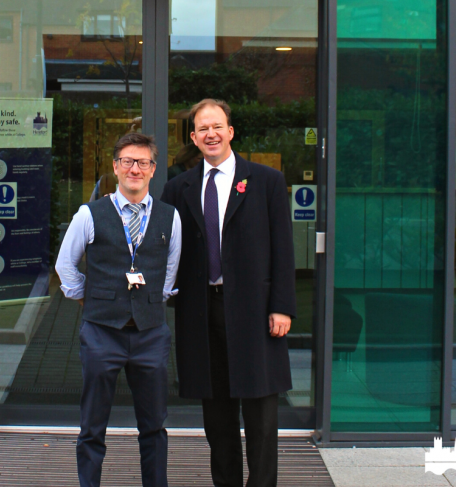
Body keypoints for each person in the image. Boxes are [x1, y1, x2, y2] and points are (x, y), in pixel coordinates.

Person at [160, 99, 295, 487]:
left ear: (231, 132)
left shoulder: (266, 182)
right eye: (203, 129)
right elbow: (163, 245)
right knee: (217, 421)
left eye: (217, 126)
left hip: (256, 314)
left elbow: (282, 250)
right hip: (202, 314)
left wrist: (282, 307)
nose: (211, 134)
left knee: (261, 420)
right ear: (194, 137)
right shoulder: (178, 188)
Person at [56, 133, 181, 487]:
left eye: (142, 162)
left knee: (154, 426)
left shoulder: (170, 218)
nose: (134, 169)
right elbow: (65, 268)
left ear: (153, 169)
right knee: (93, 426)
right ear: (114, 167)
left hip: (150, 334)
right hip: (101, 333)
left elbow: (169, 275)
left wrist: (149, 302)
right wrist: (92, 297)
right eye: (127, 161)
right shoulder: (89, 214)